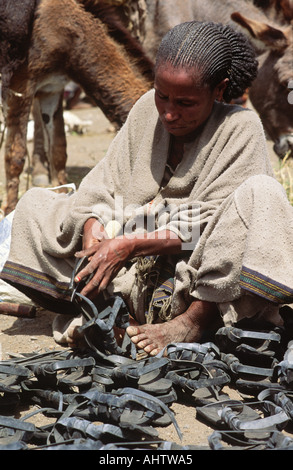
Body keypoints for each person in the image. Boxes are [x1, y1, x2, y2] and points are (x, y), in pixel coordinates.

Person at [0, 21, 291, 357]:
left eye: (185, 103)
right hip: (128, 274)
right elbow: (104, 181)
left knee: (264, 194)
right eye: (162, 96)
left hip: (196, 274)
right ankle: (103, 309)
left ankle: (191, 323)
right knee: (36, 204)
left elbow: (217, 224)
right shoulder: (144, 112)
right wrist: (93, 229)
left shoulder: (241, 128)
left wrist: (130, 244)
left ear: (219, 90)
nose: (169, 113)